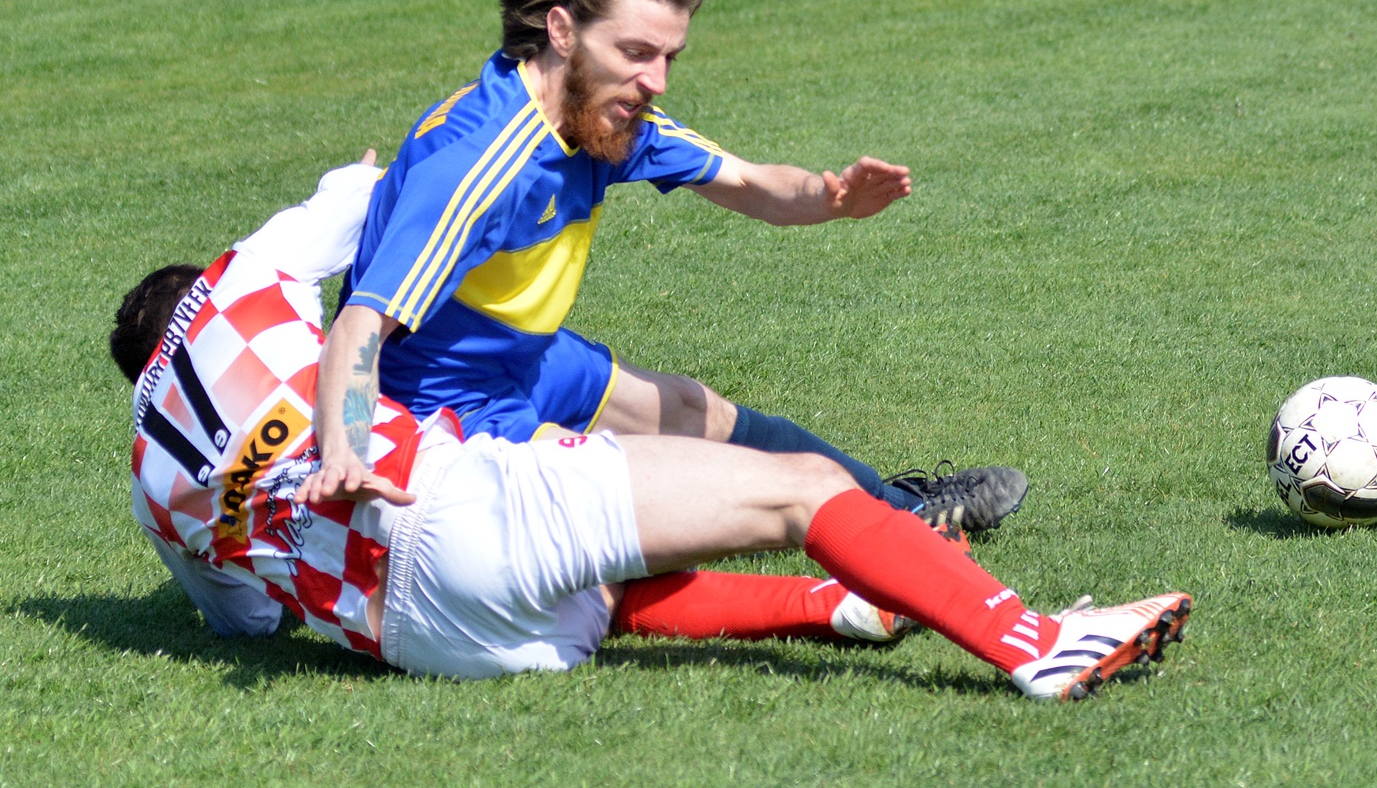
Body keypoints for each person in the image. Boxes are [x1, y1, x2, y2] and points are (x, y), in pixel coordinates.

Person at [113, 161, 1192, 696]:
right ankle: (1038, 646)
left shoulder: (149, 485)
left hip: (424, 645)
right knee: (799, 487)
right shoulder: (240, 284)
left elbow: (250, 625)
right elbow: (365, 189)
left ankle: (839, 608)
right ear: (194, 291)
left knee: (600, 589)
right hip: (449, 509)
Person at [325, 0, 1023, 532]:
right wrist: (348, 454)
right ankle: (858, 561)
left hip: (523, 358)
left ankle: (902, 508)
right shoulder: (482, 164)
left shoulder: (603, 114)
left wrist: (829, 196)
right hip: (443, 405)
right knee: (661, 492)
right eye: (636, 53)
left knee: (694, 410)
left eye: (668, 58)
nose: (656, 80)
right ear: (562, 31)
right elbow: (359, 328)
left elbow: (747, 180)